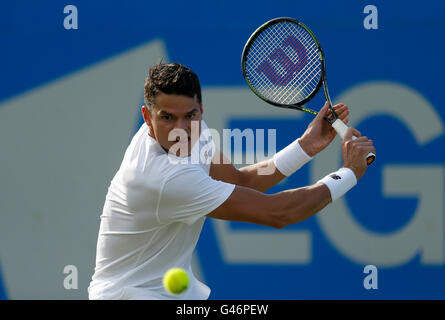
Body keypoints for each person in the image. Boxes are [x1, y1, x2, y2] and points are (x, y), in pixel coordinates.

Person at [88, 62, 375, 300]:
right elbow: (279, 213)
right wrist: (348, 173)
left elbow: (241, 181)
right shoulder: (163, 178)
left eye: (191, 115)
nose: (181, 130)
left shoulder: (194, 134)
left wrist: (304, 146)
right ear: (147, 117)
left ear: (202, 110)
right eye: (167, 118)